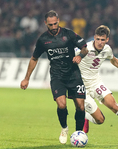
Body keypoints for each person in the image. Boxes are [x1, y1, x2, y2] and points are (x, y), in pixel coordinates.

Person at [20, 10, 88, 144]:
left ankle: (78, 134)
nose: (53, 27)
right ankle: (64, 128)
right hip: (57, 76)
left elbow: (85, 48)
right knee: (61, 105)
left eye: (55, 23)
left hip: (74, 74)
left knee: (80, 106)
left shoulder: (68, 34)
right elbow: (34, 58)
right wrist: (26, 78)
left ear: (58, 21)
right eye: (50, 25)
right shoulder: (43, 40)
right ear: (45, 23)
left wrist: (80, 56)